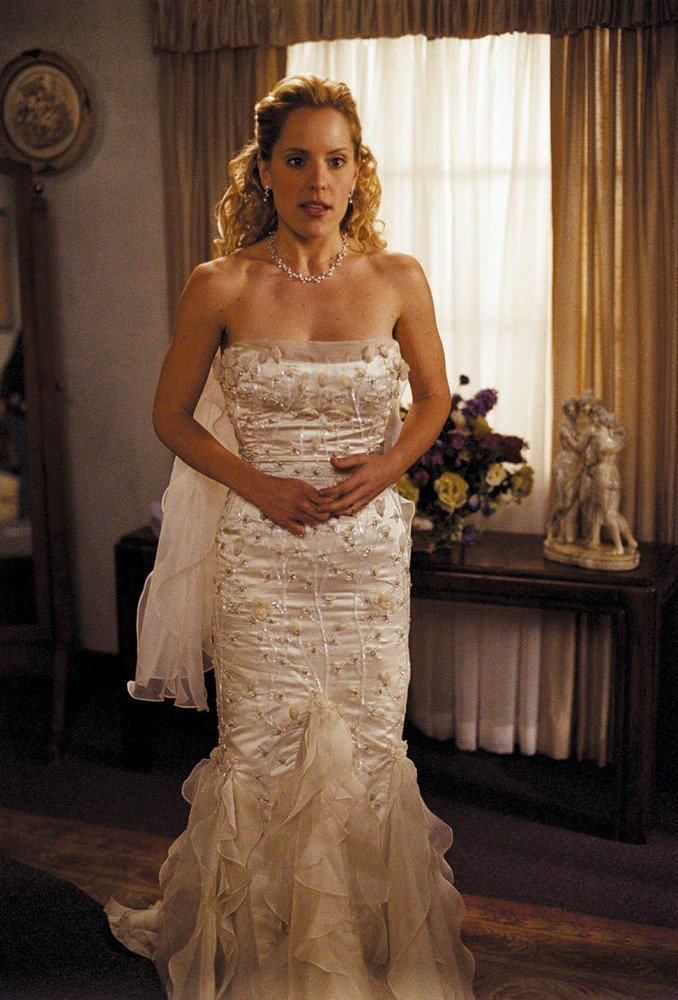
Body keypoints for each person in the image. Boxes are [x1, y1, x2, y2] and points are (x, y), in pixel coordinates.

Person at [106, 74, 476, 1000]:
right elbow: (170, 416)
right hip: (261, 562)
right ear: (264, 171)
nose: (319, 180)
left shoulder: (397, 279)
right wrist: (258, 483)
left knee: (367, 755)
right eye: (299, 160)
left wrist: (388, 467)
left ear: (358, 173)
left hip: (365, 567)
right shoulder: (220, 285)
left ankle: (370, 960)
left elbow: (433, 398)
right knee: (264, 756)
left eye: (337, 161)